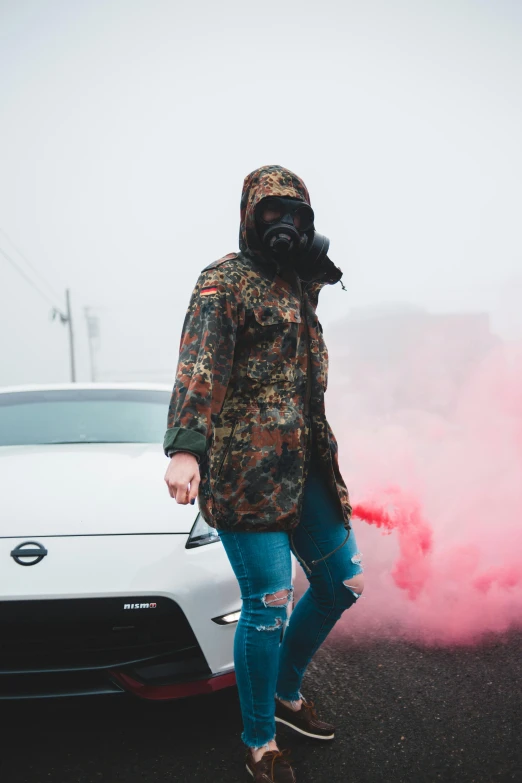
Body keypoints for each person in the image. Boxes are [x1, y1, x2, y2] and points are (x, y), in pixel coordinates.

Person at [163, 165, 363, 782]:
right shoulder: (224, 283)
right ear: (251, 215)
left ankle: (284, 689)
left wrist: (314, 275)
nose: (286, 224)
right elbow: (200, 367)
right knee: (269, 603)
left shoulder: (299, 283)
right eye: (273, 213)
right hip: (245, 476)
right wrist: (185, 449)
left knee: (343, 585)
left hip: (305, 467)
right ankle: (260, 740)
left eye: (296, 215)